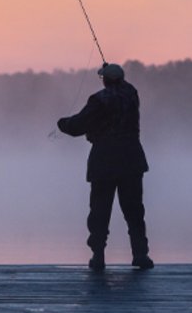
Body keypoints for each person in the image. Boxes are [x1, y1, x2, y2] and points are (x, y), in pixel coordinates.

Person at [57, 62, 153, 271]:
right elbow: (123, 89)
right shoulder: (132, 95)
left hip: (105, 160)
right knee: (134, 211)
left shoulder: (99, 100)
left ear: (106, 80)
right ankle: (141, 255)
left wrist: (62, 123)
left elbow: (77, 126)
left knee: (100, 211)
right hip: (131, 159)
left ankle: (98, 256)